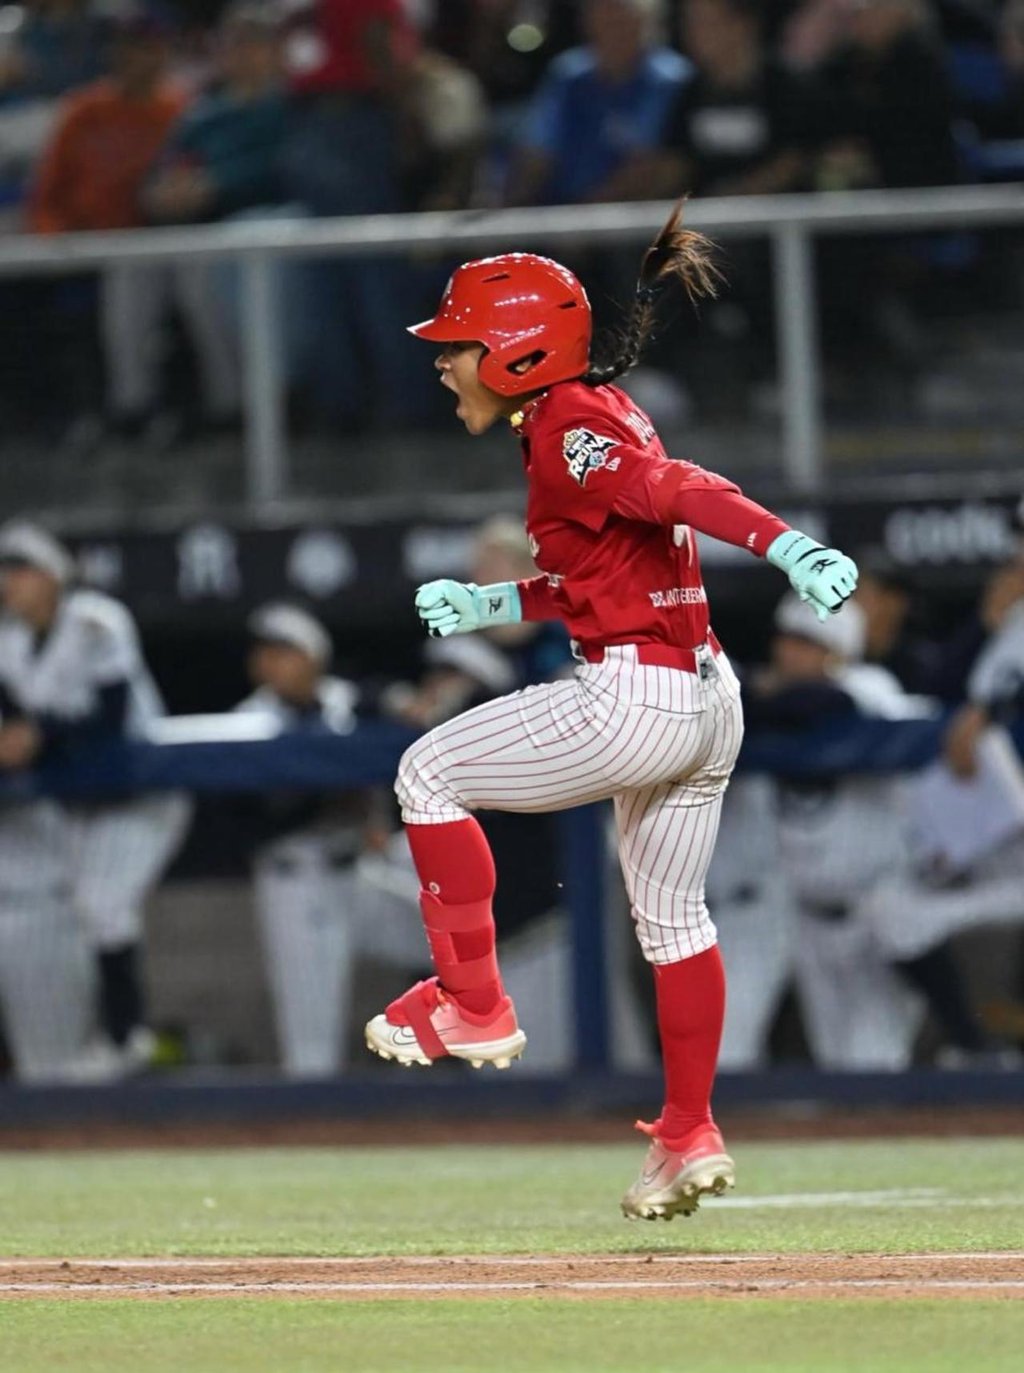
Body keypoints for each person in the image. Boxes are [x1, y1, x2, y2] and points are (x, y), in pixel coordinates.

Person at [363, 204, 860, 1222]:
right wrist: (489, 603)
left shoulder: (569, 429)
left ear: (512, 352)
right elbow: (589, 577)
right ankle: (686, 1132)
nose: (442, 363)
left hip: (635, 697)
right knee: (675, 919)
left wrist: (783, 543)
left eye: (457, 346)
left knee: (426, 773)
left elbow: (673, 488)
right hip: (706, 697)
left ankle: (472, 1002)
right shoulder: (589, 411)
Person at [0, 520, 191, 1081]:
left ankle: (128, 1036)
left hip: (142, 794)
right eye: (6, 571)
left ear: (55, 577)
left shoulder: (96, 622)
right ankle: (109, 1042)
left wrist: (39, 734)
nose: (12, 582)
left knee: (103, 907)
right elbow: (15, 719)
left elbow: (109, 715)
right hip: (84, 805)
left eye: (24, 570)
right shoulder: (8, 639)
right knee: (81, 917)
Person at [27, 13, 239, 440]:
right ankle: (132, 407)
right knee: (128, 278)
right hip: (94, 241)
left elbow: (195, 181)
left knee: (198, 285)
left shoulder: (185, 109)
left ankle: (228, 406)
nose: (135, 58)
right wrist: (57, 243)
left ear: (163, 53)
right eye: (125, 48)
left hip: (168, 236)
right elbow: (46, 197)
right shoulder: (83, 110)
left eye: (146, 48)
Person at [236, 602, 424, 1075]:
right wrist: (329, 796)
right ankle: (308, 1124)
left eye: (285, 652)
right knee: (311, 1035)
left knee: (465, 936)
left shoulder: (349, 700)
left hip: (362, 871)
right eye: (265, 652)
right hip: (298, 879)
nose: (271, 663)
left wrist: (402, 700)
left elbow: (393, 702)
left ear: (315, 658)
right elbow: (256, 814)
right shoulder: (249, 718)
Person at [505, 0, 691, 207]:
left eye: (619, 22)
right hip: (558, 211)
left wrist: (586, 216)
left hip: (633, 217)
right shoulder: (568, 75)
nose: (609, 32)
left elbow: (651, 166)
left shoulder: (671, 79)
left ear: (644, 24)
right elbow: (537, 151)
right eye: (601, 20)